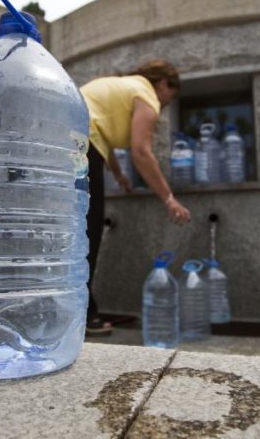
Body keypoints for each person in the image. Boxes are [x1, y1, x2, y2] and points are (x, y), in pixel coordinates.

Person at [80, 59, 192, 335]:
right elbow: (141, 152)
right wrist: (168, 198)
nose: (167, 103)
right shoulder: (147, 97)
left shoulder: (126, 86)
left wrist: (117, 174)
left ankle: (71, 310)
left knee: (74, 229)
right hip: (80, 142)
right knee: (87, 233)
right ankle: (83, 314)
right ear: (164, 84)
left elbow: (101, 134)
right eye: (171, 95)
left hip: (67, 136)